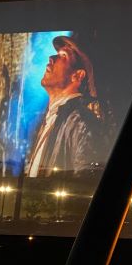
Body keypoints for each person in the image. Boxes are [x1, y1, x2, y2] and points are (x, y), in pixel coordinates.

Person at [25, 36, 100, 177]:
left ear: (77, 75)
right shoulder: (51, 118)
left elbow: (83, 183)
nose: (51, 58)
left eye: (62, 56)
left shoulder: (80, 121)